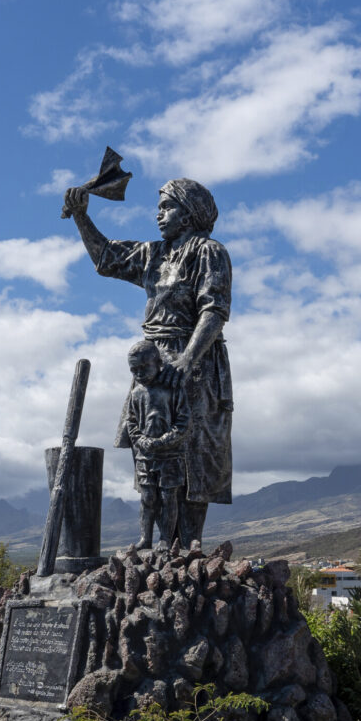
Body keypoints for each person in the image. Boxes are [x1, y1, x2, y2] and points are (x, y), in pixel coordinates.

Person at [63, 175, 232, 547]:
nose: (158, 215)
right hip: (152, 364)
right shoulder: (153, 254)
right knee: (150, 448)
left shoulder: (208, 251)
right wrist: (81, 217)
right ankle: (156, 541)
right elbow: (107, 258)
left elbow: (214, 309)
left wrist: (187, 360)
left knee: (193, 453)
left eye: (167, 206)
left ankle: (188, 545)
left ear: (188, 214)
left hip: (196, 361)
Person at [120, 340, 190, 550]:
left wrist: (163, 442)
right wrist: (140, 440)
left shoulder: (173, 389)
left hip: (170, 455)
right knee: (148, 497)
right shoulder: (136, 394)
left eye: (144, 368)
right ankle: (145, 538)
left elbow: (184, 422)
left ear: (158, 363)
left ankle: (165, 539)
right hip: (145, 456)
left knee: (169, 497)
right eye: (134, 370)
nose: (139, 374)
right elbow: (131, 422)